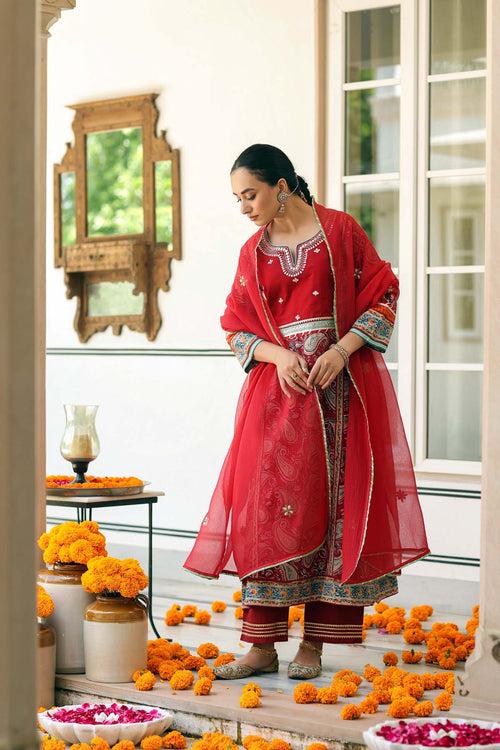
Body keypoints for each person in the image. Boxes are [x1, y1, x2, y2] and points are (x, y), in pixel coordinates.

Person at [183, 144, 429, 680]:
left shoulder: (340, 231)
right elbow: (234, 324)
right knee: (265, 509)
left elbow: (384, 292)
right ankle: (261, 644)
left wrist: (341, 351)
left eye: (250, 194)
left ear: (282, 186)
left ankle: (315, 644)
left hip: (341, 395)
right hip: (279, 397)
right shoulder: (252, 253)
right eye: (238, 198)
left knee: (338, 509)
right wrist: (277, 354)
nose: (245, 207)